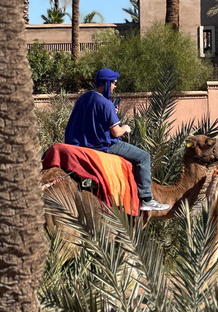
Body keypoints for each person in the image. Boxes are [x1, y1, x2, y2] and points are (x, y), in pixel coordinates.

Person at [64, 68, 169, 212]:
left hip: (79, 145)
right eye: (114, 83)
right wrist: (125, 128)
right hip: (101, 146)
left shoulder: (84, 98)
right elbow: (116, 132)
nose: (115, 86)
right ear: (107, 83)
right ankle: (146, 199)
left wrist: (112, 113)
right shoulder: (105, 104)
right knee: (144, 157)